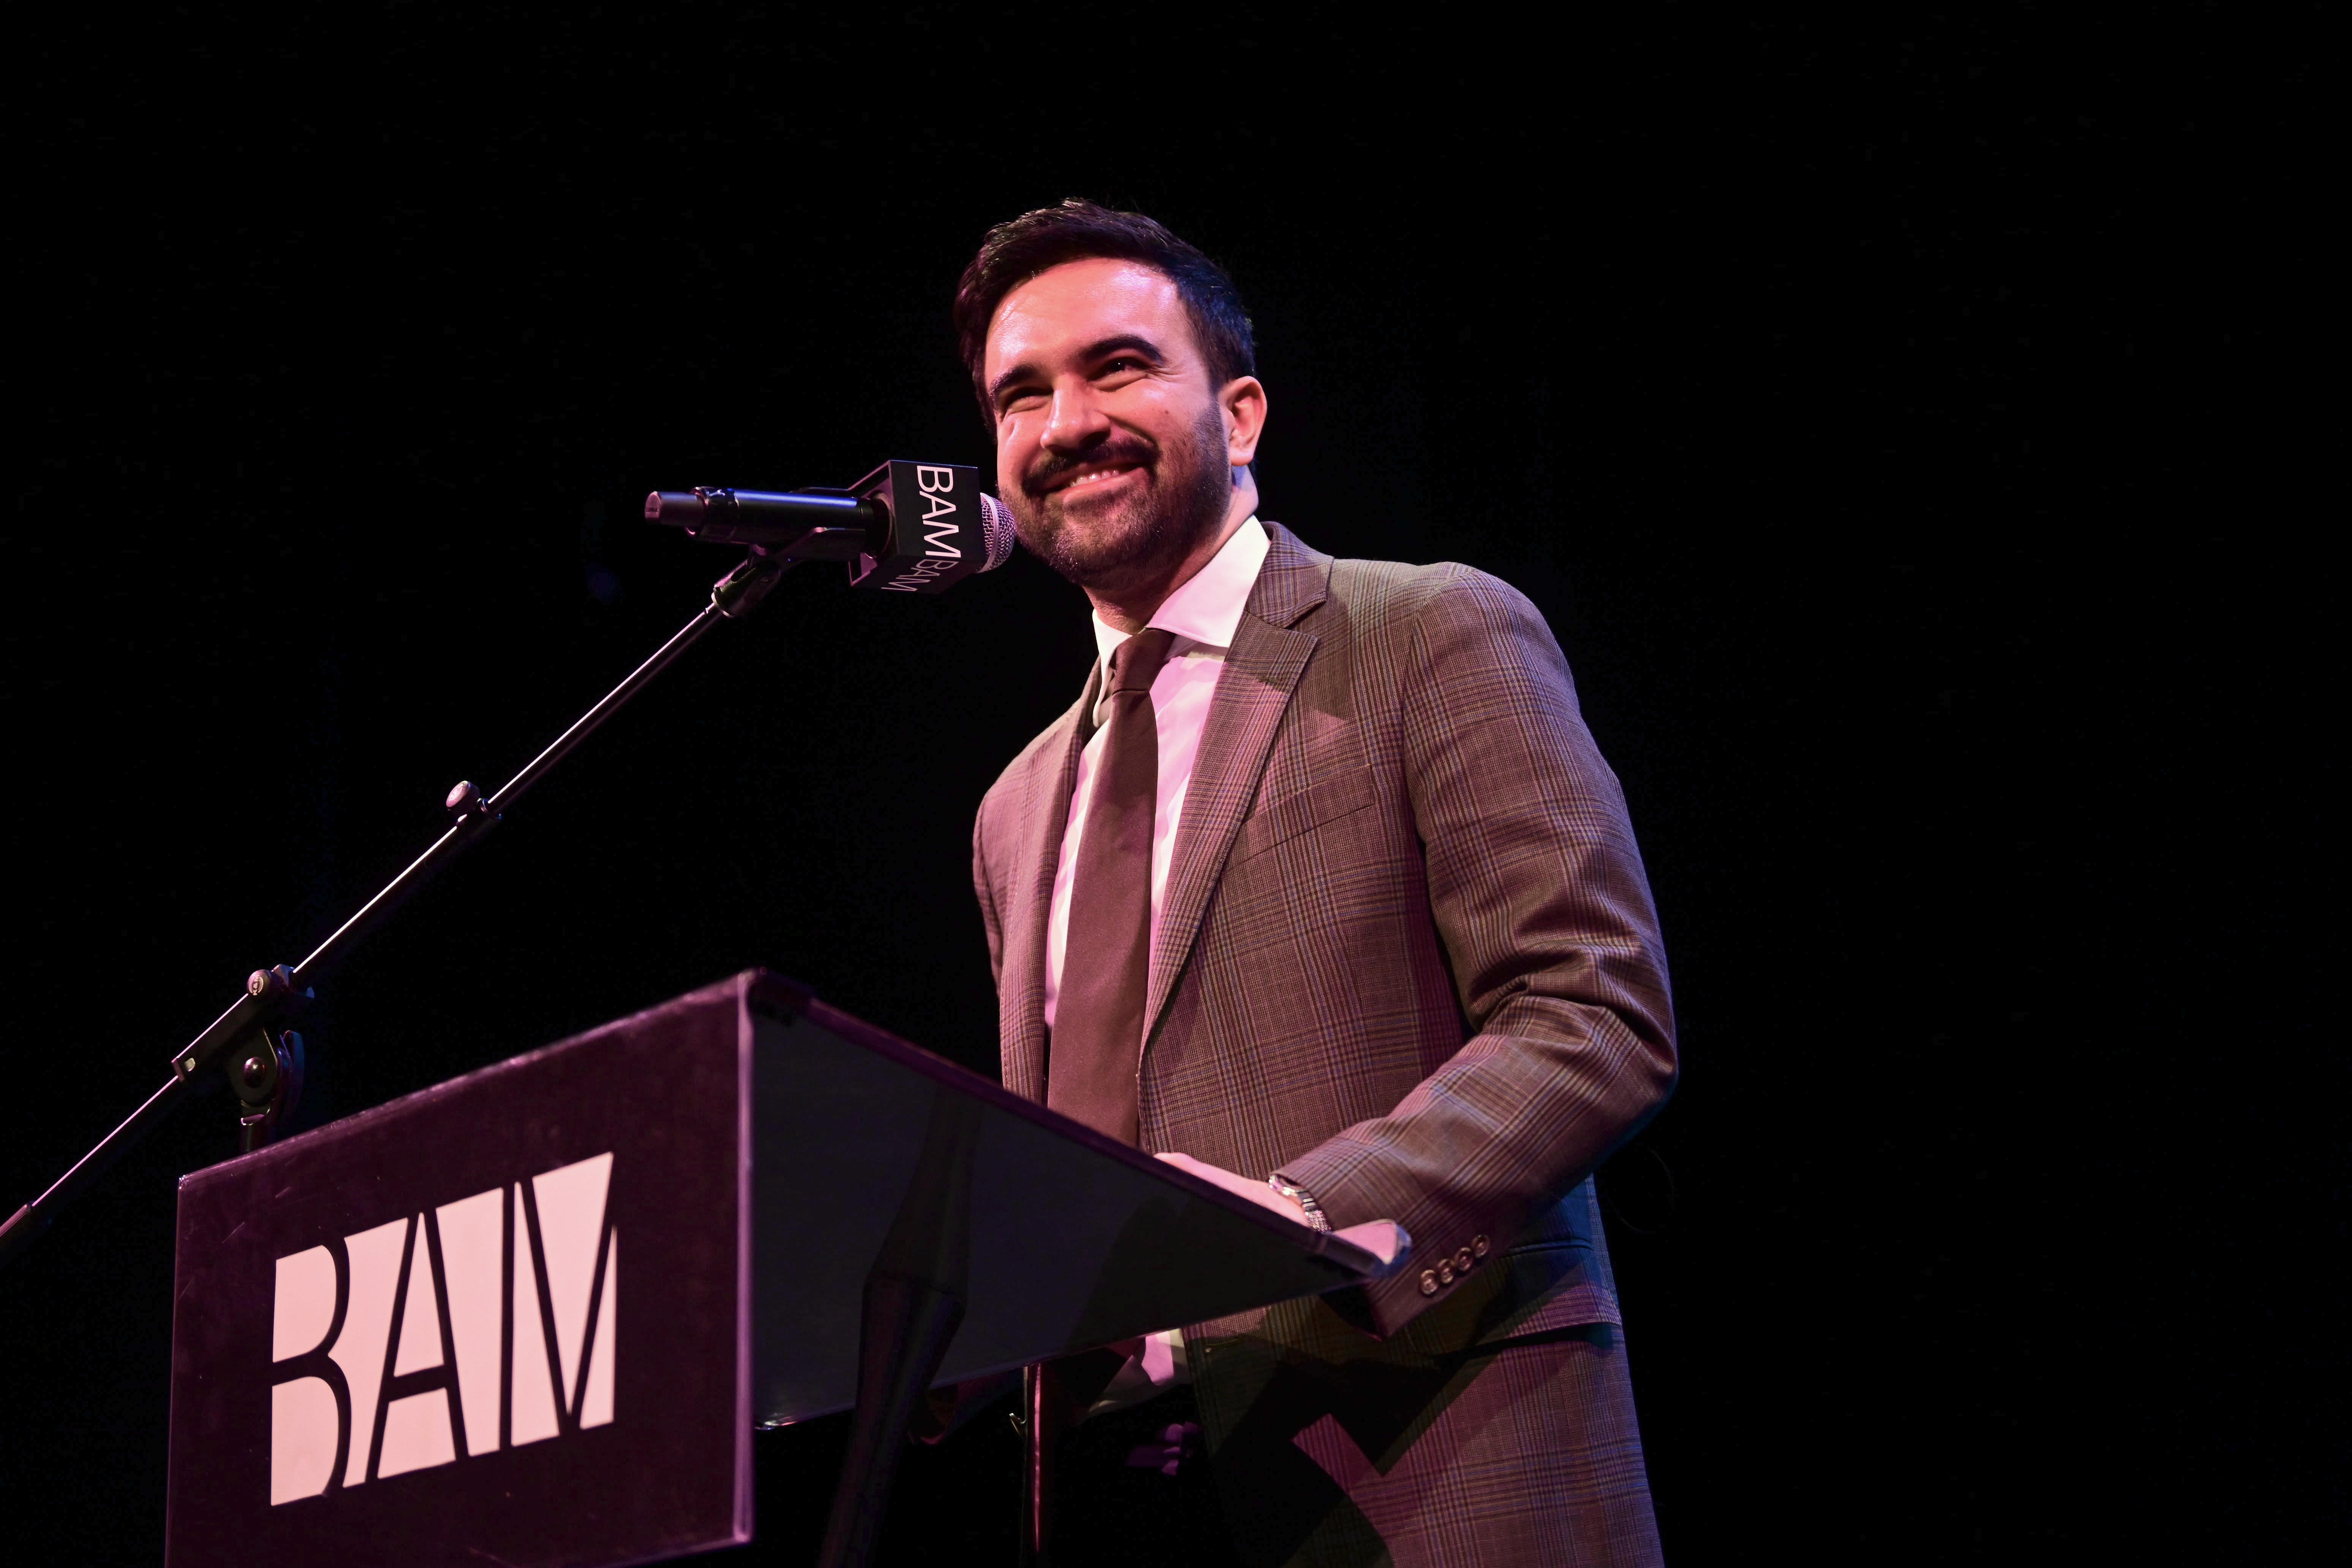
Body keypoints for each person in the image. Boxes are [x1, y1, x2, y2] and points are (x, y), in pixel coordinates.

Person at [963, 200, 1676, 1567]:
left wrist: (1299, 1220)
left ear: (1240, 414)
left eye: (1119, 368)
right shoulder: (1013, 807)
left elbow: (1595, 1017)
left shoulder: (1426, 631)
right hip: (1117, 1503)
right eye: (1022, 395)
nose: (1066, 425)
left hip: (1430, 1456)